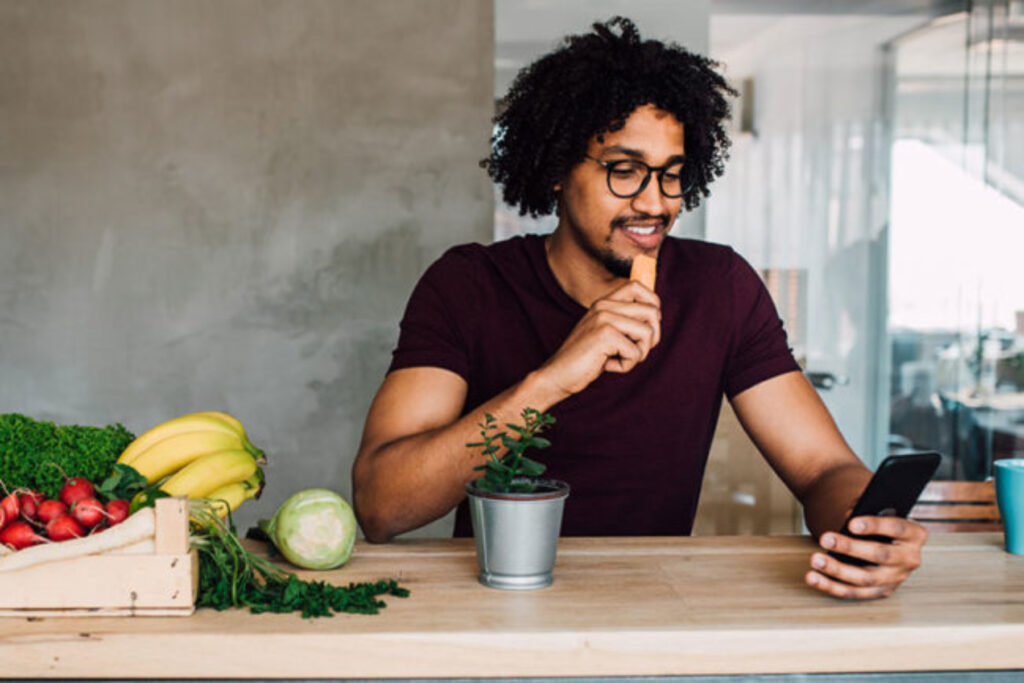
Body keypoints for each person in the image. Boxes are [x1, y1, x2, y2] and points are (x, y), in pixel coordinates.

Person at [352, 17, 927, 600]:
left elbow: (822, 469)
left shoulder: (719, 287)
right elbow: (381, 505)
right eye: (623, 171)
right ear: (556, 169)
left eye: (671, 176)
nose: (653, 202)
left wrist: (866, 526)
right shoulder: (468, 285)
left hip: (654, 609)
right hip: (497, 604)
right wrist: (553, 380)